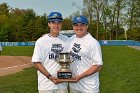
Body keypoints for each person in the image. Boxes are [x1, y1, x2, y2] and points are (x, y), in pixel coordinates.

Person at [32, 12, 69, 93]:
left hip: (62, 84)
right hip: (45, 85)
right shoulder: (41, 41)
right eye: (53, 22)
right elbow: (36, 62)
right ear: (49, 24)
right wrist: (50, 77)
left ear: (61, 24)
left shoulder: (67, 40)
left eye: (59, 22)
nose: (56, 25)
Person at [68, 15, 103, 93]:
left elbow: (98, 66)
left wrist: (79, 77)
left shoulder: (93, 42)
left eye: (82, 25)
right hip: (73, 85)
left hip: (89, 87)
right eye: (76, 25)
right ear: (73, 26)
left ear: (87, 26)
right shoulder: (70, 39)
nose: (79, 27)